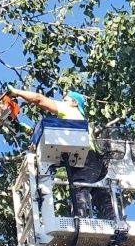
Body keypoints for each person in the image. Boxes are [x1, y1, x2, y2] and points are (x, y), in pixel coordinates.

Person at [7, 86, 114, 219]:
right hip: (95, 163)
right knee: (100, 192)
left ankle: (78, 222)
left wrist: (17, 92)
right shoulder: (72, 122)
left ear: (74, 102)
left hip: (86, 160)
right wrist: (22, 127)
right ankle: (114, 222)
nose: (62, 102)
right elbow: (45, 133)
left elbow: (40, 100)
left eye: (65, 99)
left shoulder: (70, 110)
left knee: (79, 188)